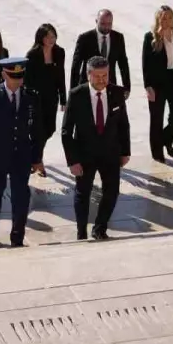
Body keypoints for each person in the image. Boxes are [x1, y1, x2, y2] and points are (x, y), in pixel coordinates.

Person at [0, 58, 44, 246]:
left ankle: (17, 232)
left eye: (20, 77)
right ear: (4, 74)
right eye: (14, 77)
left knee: (21, 194)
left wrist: (37, 158)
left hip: (21, 154)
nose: (18, 81)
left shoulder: (31, 96)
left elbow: (37, 130)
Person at [61, 57, 130, 241]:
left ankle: (100, 227)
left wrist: (125, 152)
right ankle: (81, 231)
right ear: (88, 74)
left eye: (105, 75)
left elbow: (124, 124)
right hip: (85, 154)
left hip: (110, 152)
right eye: (97, 76)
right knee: (83, 193)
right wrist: (72, 161)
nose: (102, 80)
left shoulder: (117, 92)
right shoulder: (76, 95)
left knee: (112, 191)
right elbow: (66, 131)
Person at [142, 5, 173, 163]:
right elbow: (145, 63)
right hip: (157, 84)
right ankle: (157, 153)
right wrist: (147, 86)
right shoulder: (150, 37)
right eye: (164, 18)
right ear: (158, 19)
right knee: (156, 119)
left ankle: (165, 140)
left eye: (170, 17)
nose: (167, 21)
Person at [25, 24, 68, 166]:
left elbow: (61, 75)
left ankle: (33, 156)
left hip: (52, 97)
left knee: (50, 129)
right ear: (41, 38)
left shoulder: (59, 52)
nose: (51, 39)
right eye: (48, 37)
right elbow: (27, 79)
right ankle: (37, 161)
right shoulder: (33, 54)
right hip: (35, 98)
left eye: (53, 36)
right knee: (38, 130)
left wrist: (63, 98)